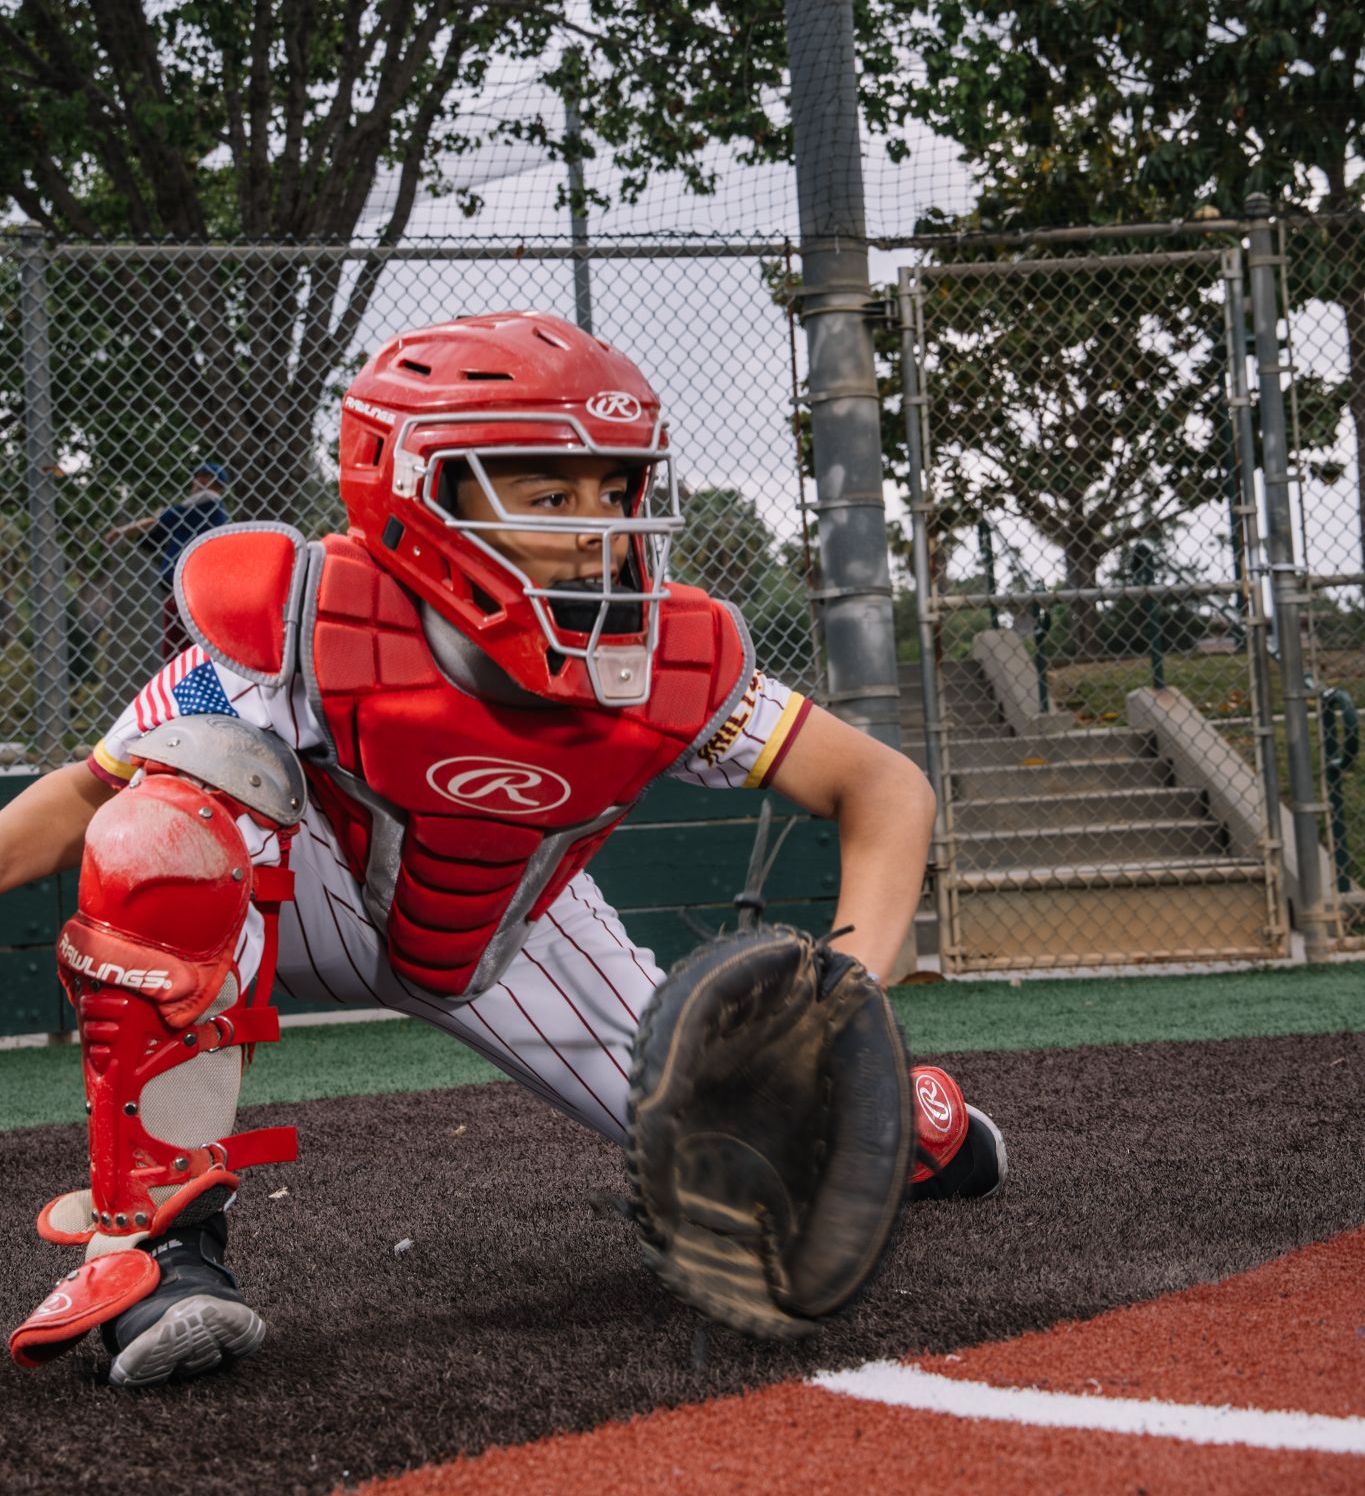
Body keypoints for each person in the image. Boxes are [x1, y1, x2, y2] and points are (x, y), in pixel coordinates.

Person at [2, 314, 1005, 1388]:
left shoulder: (661, 648)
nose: (597, 528)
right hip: (307, 890)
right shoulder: (288, 621)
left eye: (613, 491)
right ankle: (158, 1252)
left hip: (510, 918)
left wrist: (841, 1004)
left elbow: (883, 786)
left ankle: (922, 1116)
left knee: (756, 1151)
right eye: (548, 493)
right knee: (166, 823)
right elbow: (78, 802)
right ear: (417, 488)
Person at [105, 461, 231, 660]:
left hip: (189, 583)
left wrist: (122, 531)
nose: (197, 482)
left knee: (177, 645)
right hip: (194, 582)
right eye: (198, 476)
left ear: (216, 483)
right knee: (191, 642)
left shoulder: (207, 500)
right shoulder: (206, 509)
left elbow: (159, 521)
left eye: (204, 477)